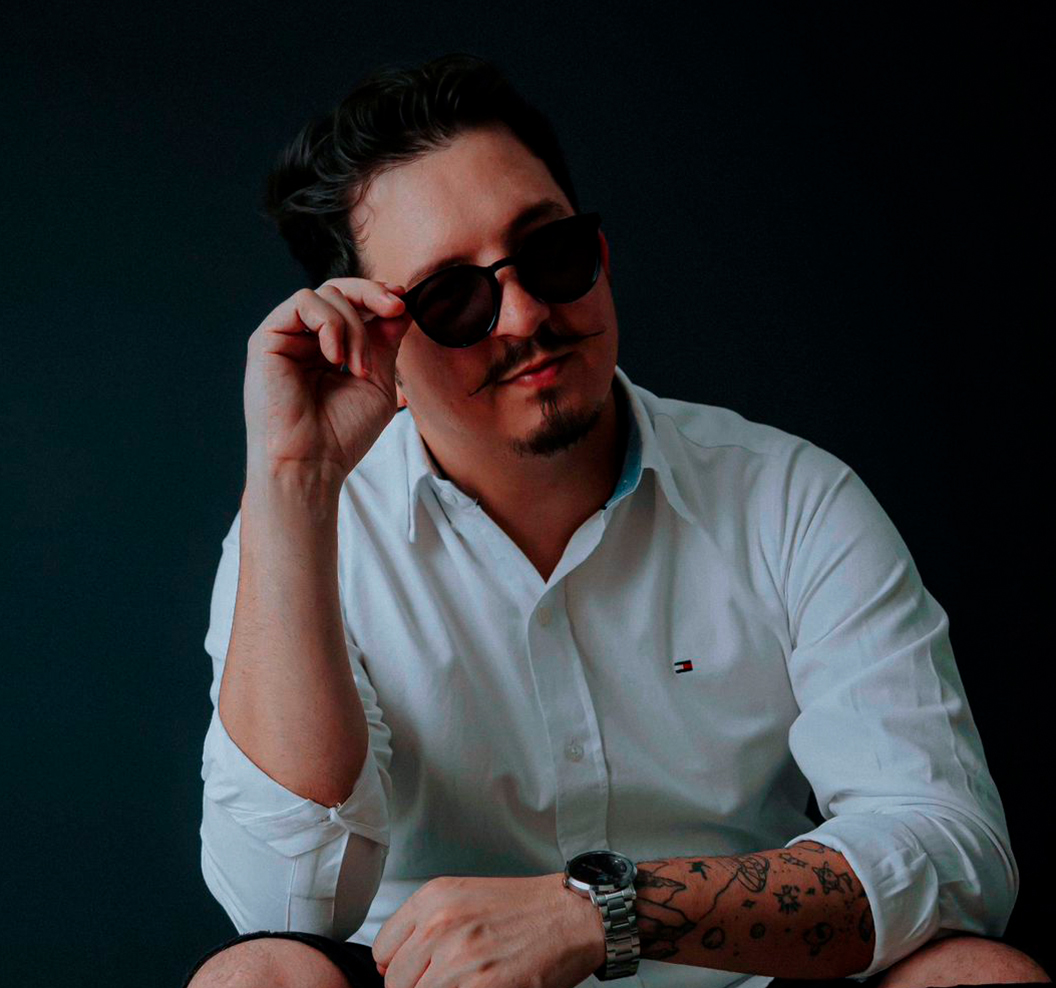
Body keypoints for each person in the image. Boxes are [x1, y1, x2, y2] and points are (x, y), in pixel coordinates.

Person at [183, 53, 1049, 988]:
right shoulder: (303, 530)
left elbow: (952, 851)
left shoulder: (790, 497)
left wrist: (601, 911)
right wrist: (294, 480)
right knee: (254, 979)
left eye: (550, 251)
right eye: (452, 298)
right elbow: (284, 907)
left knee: (978, 973)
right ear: (371, 342)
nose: (525, 315)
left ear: (598, 250)